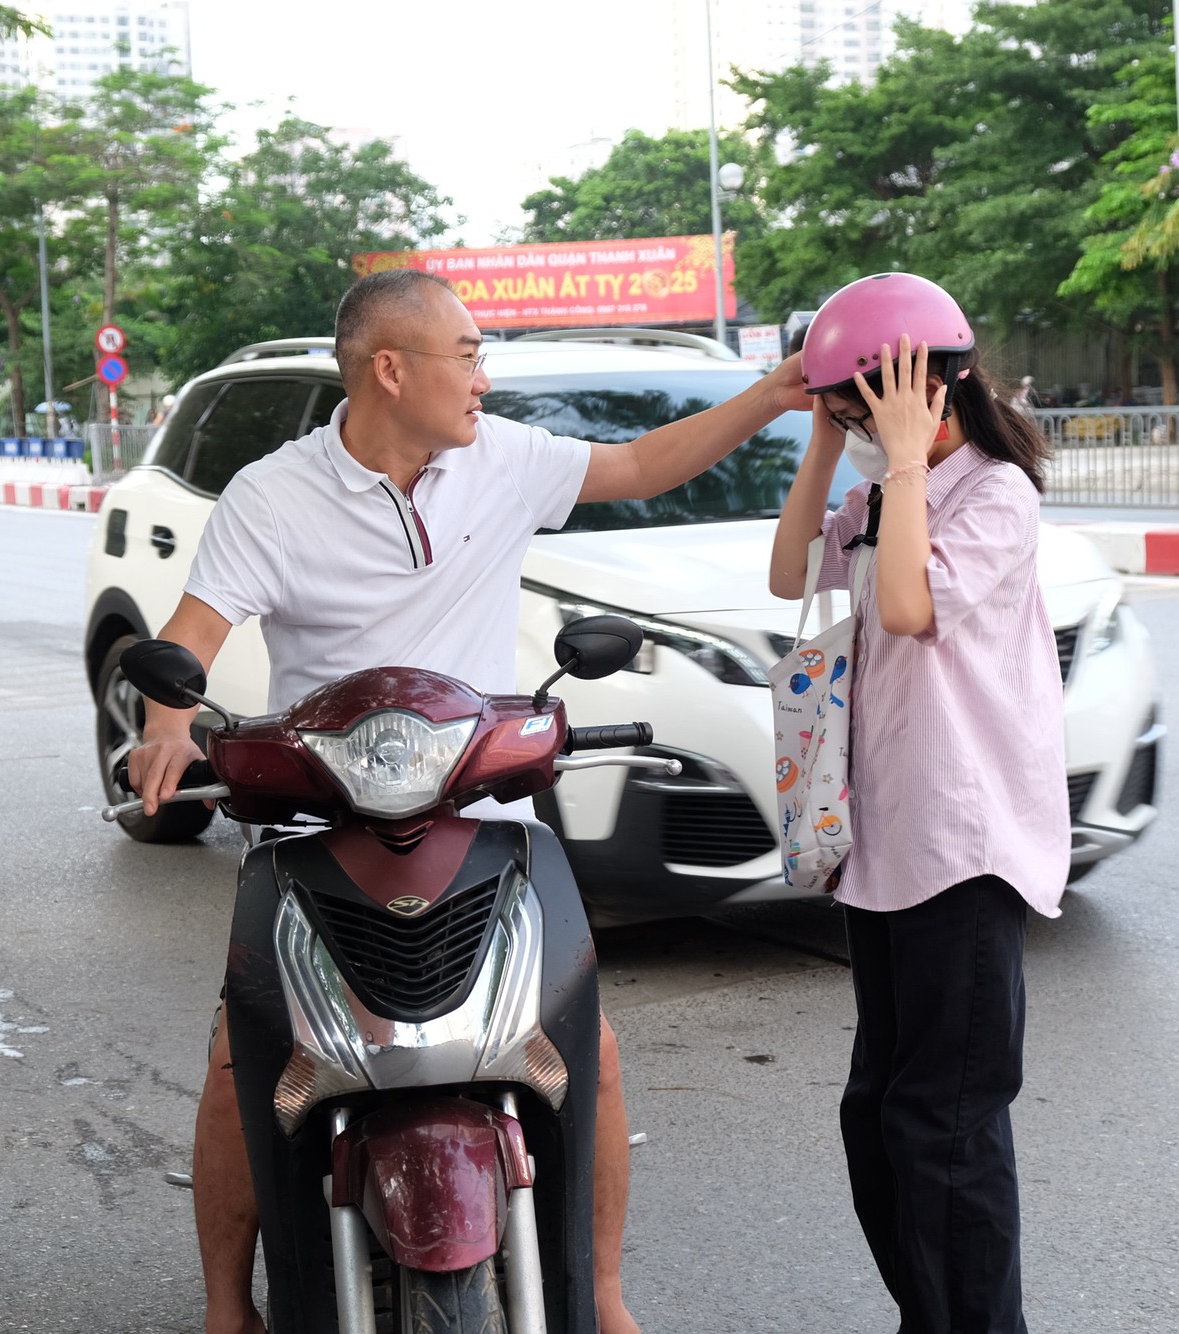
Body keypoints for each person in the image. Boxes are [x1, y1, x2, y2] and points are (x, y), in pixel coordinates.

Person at [126, 269, 811, 1334]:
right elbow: (196, 633)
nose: (482, 378)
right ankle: (228, 1304)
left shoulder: (501, 461)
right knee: (242, 1061)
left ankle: (606, 1293)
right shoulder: (272, 494)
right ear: (390, 369)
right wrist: (170, 719)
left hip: (487, 814)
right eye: (469, 354)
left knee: (588, 1046)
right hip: (317, 824)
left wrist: (770, 396)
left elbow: (635, 465)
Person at [767, 273, 1068, 1334]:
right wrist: (820, 442)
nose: (858, 428)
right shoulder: (874, 493)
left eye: (867, 405)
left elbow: (904, 604)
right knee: (879, 1119)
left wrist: (899, 460)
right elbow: (785, 569)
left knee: (944, 1126)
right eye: (846, 411)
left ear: (935, 387)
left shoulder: (993, 494)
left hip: (963, 845)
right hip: (881, 847)